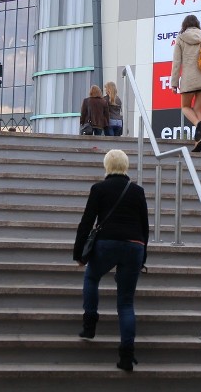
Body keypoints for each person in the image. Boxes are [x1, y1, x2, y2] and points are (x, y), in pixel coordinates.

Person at [73, 149, 149, 371]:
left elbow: (86, 222)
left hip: (106, 244)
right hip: (134, 246)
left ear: (107, 166)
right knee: (126, 303)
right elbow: (144, 227)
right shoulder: (137, 191)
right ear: (126, 166)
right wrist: (143, 255)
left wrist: (79, 254)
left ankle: (89, 324)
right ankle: (127, 356)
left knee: (92, 278)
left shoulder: (99, 189)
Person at [170, 14, 201, 152]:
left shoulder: (180, 38)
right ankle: (198, 142)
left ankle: (197, 124)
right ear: (197, 24)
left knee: (185, 107)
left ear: (184, 25)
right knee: (198, 109)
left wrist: (174, 83)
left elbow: (177, 63)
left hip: (189, 80)